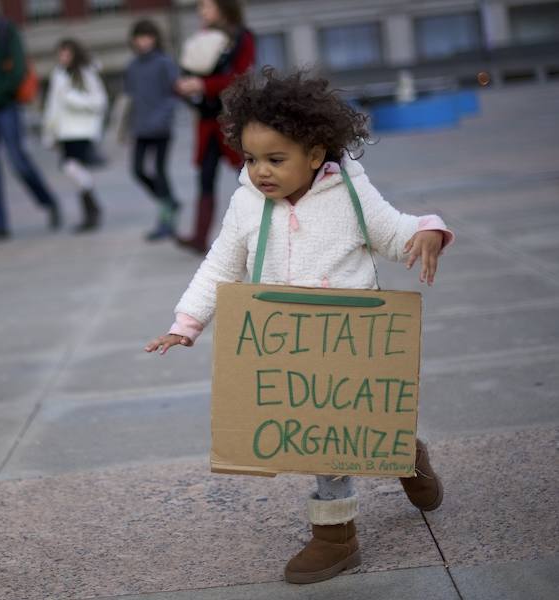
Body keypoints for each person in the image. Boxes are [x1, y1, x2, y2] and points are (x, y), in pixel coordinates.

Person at [145, 69, 454, 584]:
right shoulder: (247, 203)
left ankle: (370, 495)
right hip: (289, 348)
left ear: (315, 153)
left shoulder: (350, 193)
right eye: (250, 159)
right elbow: (221, 265)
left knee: (351, 430)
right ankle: (364, 499)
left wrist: (428, 231)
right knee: (323, 440)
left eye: (275, 159)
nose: (260, 171)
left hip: (351, 344)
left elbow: (394, 232)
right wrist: (187, 323)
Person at [0, 0, 61, 243]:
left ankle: (49, 202)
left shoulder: (6, 30)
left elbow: (18, 71)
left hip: (6, 107)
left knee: (18, 161)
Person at [176, 0, 255, 254]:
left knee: (250, 176)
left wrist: (203, 85)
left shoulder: (243, 37)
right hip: (208, 121)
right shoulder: (204, 36)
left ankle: (266, 226)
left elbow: (240, 77)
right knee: (206, 177)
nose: (202, 12)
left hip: (231, 119)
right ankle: (200, 237)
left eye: (206, 7)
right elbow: (190, 69)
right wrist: (186, 87)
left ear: (223, 7)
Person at [42, 39, 108, 233]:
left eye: (67, 54)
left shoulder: (87, 73)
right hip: (64, 131)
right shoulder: (58, 75)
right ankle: (91, 210)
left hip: (82, 130)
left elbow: (99, 102)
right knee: (72, 170)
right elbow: (52, 106)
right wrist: (49, 132)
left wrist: (72, 99)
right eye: (60, 54)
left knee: (70, 167)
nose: (63, 58)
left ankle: (91, 210)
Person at [123, 20, 180, 241]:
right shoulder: (132, 67)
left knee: (160, 172)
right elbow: (130, 99)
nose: (143, 41)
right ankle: (170, 202)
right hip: (140, 129)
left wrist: (162, 117)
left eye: (147, 36)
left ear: (155, 38)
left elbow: (174, 94)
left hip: (161, 128)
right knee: (137, 171)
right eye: (139, 37)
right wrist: (127, 127)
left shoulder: (164, 63)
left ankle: (166, 221)